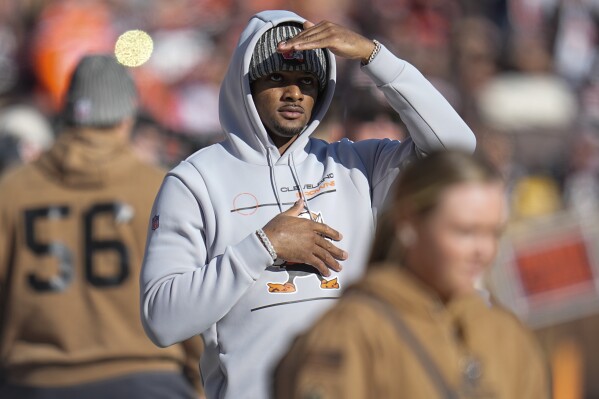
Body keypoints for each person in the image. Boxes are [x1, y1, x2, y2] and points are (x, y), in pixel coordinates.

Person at [140, 10, 476, 399]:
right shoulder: (195, 179)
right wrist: (263, 247)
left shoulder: (356, 166)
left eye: (306, 80)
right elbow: (162, 320)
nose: (294, 93)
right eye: (276, 78)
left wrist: (375, 56)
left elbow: (457, 151)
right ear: (246, 84)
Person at [0, 55, 203, 399]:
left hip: (37, 380)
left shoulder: (12, 190)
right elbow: (191, 298)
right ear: (127, 117)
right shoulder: (161, 188)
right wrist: (200, 381)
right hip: (148, 379)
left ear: (67, 113)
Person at [274, 150, 550, 399]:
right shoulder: (351, 332)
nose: (484, 250)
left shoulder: (509, 335)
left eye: (493, 233)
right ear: (409, 222)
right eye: (465, 231)